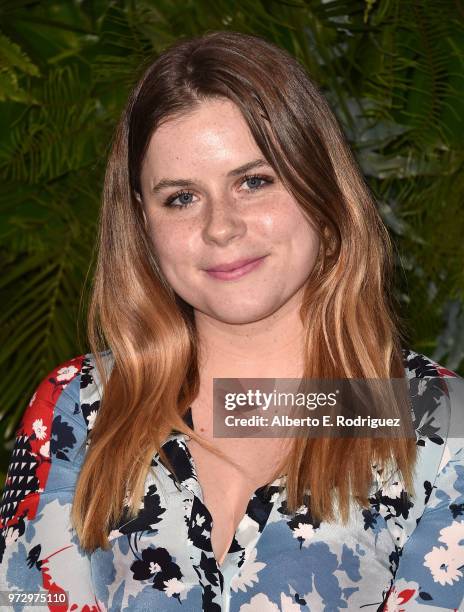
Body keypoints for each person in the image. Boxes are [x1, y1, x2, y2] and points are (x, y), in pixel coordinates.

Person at [0, 30, 463, 612]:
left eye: (254, 181)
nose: (221, 227)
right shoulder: (78, 409)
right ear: (142, 221)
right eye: (181, 198)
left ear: (321, 189)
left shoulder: (437, 421)